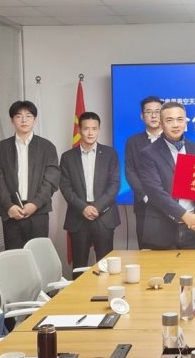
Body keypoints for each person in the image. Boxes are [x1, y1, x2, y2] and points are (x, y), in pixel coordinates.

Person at [136, 101, 195, 249]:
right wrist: (184, 215)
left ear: (186, 122)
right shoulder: (148, 153)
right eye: (169, 120)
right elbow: (156, 193)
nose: (176, 125)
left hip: (193, 229)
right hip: (162, 231)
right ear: (161, 123)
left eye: (180, 119)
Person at [0, 100, 60, 250]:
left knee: (38, 256)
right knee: (15, 257)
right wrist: (9, 206)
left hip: (38, 212)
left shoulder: (47, 147)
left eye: (28, 116)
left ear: (35, 120)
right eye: (18, 116)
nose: (23, 120)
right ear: (12, 120)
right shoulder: (0, 149)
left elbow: (51, 180)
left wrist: (35, 204)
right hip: (11, 213)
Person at [60, 112, 121, 278]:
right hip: (78, 216)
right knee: (79, 267)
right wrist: (83, 208)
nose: (90, 132)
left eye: (94, 128)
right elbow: (65, 187)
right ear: (79, 130)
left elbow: (114, 184)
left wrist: (97, 207)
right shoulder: (67, 157)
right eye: (86, 128)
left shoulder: (110, 154)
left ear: (99, 130)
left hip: (104, 216)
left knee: (106, 267)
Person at [124, 96, 163, 249]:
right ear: (142, 116)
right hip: (144, 206)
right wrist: (146, 196)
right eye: (149, 112)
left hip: (172, 205)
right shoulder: (133, 142)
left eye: (157, 111)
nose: (153, 116)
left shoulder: (174, 139)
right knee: (146, 251)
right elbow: (130, 171)